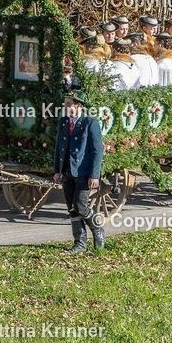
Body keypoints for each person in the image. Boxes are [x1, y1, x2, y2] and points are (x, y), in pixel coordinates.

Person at [52, 90, 104, 255]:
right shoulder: (64, 122)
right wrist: (57, 171)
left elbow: (97, 151)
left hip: (84, 173)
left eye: (69, 103)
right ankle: (79, 244)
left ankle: (97, 228)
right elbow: (58, 148)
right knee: (72, 209)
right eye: (65, 103)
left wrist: (94, 175)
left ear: (78, 105)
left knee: (81, 206)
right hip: (67, 172)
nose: (66, 106)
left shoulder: (90, 122)